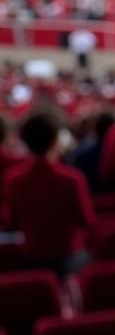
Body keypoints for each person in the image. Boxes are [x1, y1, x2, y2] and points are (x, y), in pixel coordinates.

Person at [5, 107, 95, 272]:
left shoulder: (14, 179)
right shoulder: (72, 178)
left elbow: (12, 222)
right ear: (55, 140)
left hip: (31, 257)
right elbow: (87, 222)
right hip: (69, 257)